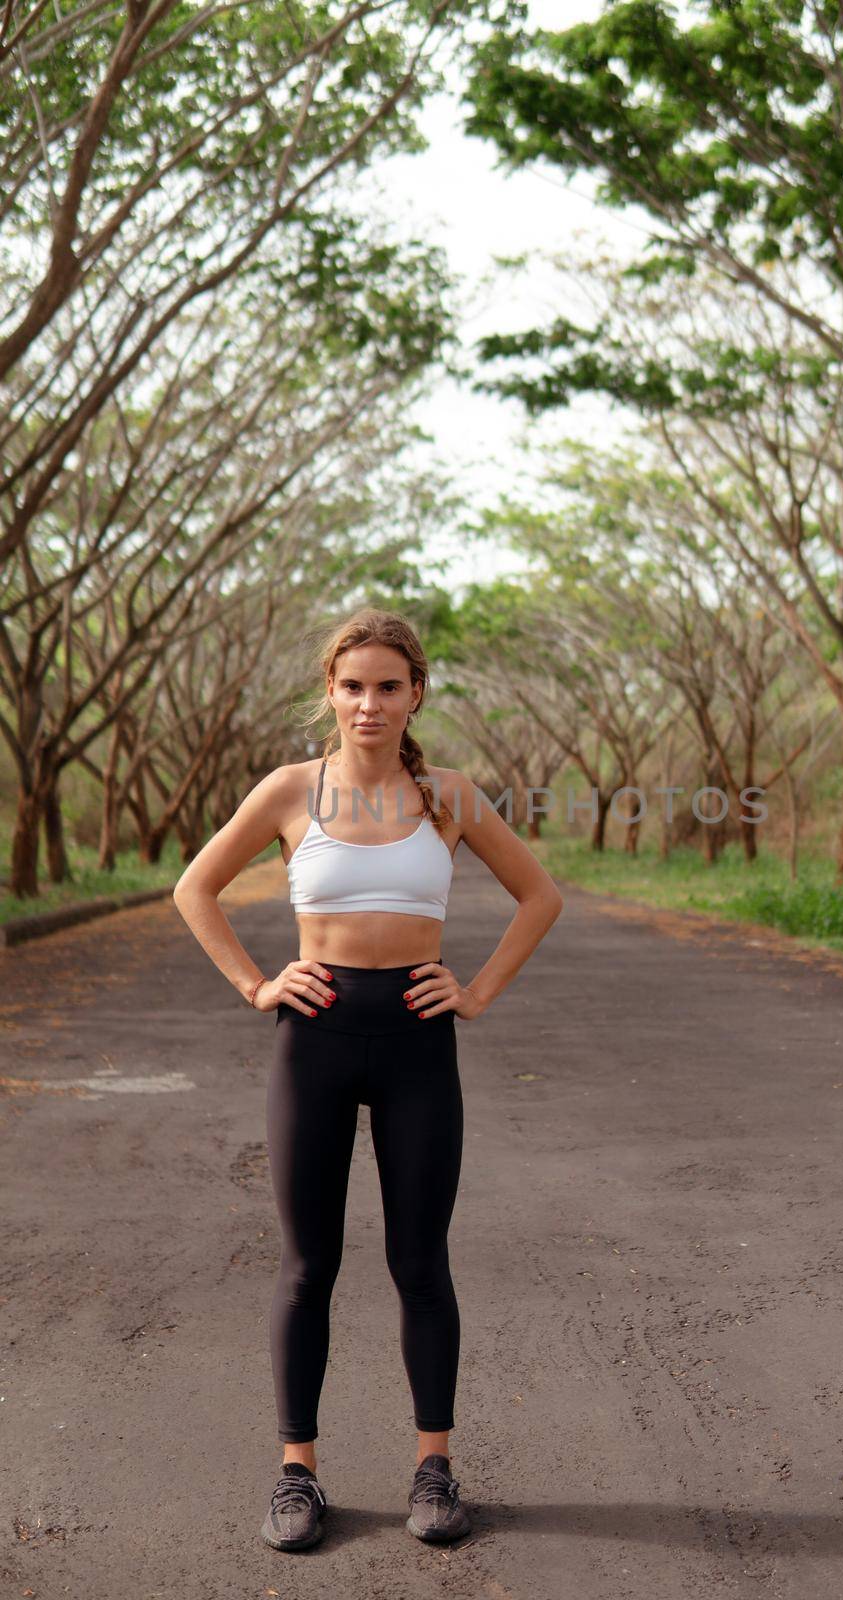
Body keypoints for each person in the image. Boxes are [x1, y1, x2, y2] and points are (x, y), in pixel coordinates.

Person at [172, 607, 564, 1551]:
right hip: (313, 1038)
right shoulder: (289, 791)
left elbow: (540, 894)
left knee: (419, 1264)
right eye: (353, 686)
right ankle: (296, 1476)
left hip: (418, 1042)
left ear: (416, 693)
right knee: (309, 1267)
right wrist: (257, 983)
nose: (369, 703)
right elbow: (194, 887)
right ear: (331, 692)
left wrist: (474, 993)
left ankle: (434, 1469)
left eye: (389, 685)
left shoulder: (450, 797)